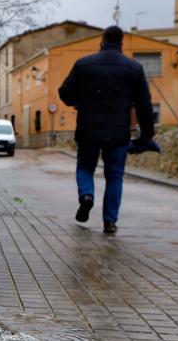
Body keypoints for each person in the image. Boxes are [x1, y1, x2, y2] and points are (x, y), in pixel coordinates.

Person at [58, 25, 157, 234]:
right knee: (114, 176)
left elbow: (64, 92)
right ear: (121, 44)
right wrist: (147, 135)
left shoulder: (84, 64)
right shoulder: (134, 68)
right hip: (118, 133)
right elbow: (144, 105)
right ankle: (110, 221)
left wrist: (79, 102)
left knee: (85, 167)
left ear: (101, 42)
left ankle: (87, 195)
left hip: (88, 130)